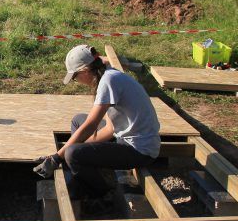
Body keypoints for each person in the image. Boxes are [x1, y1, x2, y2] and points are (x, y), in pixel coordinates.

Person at [33, 44, 160, 199]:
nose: (76, 81)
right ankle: (83, 169)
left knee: (73, 154)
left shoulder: (108, 81)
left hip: (140, 151)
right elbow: (109, 128)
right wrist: (77, 147)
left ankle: (102, 193)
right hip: (125, 137)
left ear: (85, 71)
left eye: (74, 77)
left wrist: (58, 156)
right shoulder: (107, 74)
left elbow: (91, 125)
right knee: (78, 121)